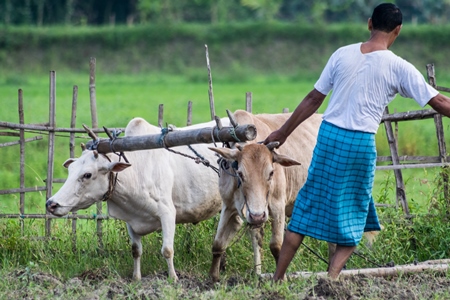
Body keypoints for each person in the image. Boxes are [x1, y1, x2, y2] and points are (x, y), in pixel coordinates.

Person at [263, 3, 450, 280]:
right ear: (397, 30)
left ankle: (277, 279)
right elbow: (440, 102)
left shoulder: (342, 54)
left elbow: (314, 99)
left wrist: (283, 132)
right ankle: (332, 277)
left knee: (304, 209)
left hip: (327, 138)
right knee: (355, 214)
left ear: (369, 23)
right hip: (359, 144)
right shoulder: (399, 66)